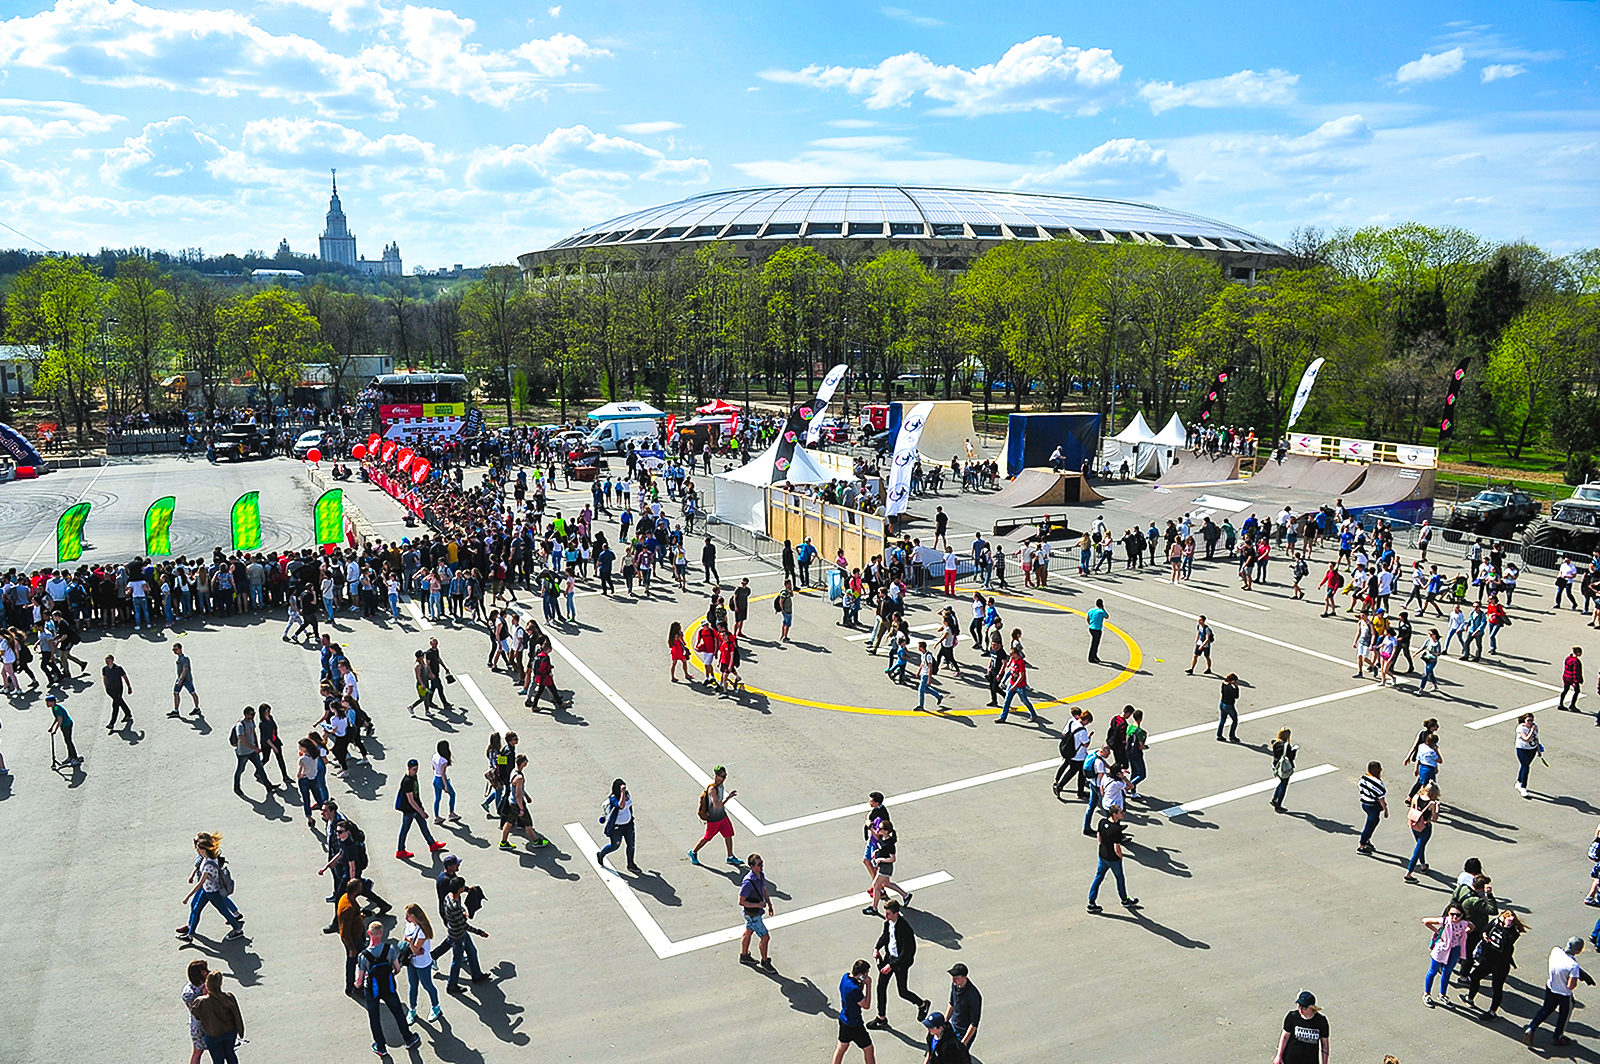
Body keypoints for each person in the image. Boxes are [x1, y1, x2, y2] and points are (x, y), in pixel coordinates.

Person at [357, 920, 421, 1056]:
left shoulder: (363, 956)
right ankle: (408, 1039)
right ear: (381, 933)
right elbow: (397, 969)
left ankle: (381, 1047)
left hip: (372, 991)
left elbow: (359, 980)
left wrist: (357, 985)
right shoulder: (390, 949)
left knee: (375, 1018)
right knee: (398, 1013)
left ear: (369, 933)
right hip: (388, 987)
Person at [868, 898, 930, 1029]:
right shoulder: (888, 923)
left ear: (896, 913)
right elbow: (885, 937)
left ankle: (922, 1004)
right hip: (889, 958)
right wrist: (876, 948)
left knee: (902, 991)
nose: (886, 916)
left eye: (889, 914)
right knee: (881, 987)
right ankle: (881, 1017)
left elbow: (906, 953)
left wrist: (891, 965)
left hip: (900, 963)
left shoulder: (905, 928)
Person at [178, 831, 244, 942]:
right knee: (196, 909)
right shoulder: (209, 858)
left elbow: (200, 883)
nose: (196, 850)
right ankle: (190, 935)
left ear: (204, 850)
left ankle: (238, 930)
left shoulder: (208, 864)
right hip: (206, 891)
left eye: (198, 848)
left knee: (223, 911)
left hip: (212, 893)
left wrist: (187, 897)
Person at [1525, 937, 1588, 1048]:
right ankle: (1557, 1037)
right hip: (1564, 994)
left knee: (1545, 1009)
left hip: (1551, 987)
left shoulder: (1555, 951)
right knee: (1564, 1015)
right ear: (1578, 951)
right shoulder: (1573, 966)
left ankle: (1531, 1027)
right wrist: (1577, 976)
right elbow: (1571, 985)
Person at [1463, 909, 1526, 1018]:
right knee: (1474, 977)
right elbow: (1485, 930)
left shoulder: (1513, 933)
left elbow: (1503, 945)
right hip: (1488, 960)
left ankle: (1492, 1012)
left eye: (1502, 920)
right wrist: (1484, 935)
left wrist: (1506, 928)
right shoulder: (1496, 922)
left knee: (1496, 987)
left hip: (1501, 964)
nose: (1498, 921)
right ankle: (1470, 998)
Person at [1086, 804, 1139, 913]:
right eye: (1120, 812)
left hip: (1102, 855)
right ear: (1115, 815)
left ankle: (1091, 902)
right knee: (1120, 878)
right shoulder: (1116, 829)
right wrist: (1120, 857)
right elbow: (1117, 848)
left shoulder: (1102, 822)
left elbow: (1099, 837)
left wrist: (1103, 847)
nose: (1122, 813)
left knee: (1098, 877)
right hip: (1113, 859)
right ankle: (1125, 900)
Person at [189, 970, 244, 1064]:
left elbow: (196, 1015)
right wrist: (240, 1030)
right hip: (229, 1032)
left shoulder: (201, 1002)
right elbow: (236, 1014)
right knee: (230, 1054)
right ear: (220, 983)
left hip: (212, 1035)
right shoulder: (228, 997)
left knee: (217, 1059)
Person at [688, 765, 740, 866]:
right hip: (714, 818)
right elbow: (716, 805)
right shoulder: (712, 789)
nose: (723, 778)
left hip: (722, 816)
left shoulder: (721, 786)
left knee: (728, 834)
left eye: (724, 776)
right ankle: (693, 852)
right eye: (721, 776)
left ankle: (730, 856)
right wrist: (728, 798)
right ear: (716, 776)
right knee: (707, 837)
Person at [395, 758, 447, 860]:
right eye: (414, 769)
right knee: (405, 829)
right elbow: (411, 800)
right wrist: (421, 812)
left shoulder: (414, 777)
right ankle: (400, 850)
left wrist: (421, 807)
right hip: (409, 810)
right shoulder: (407, 781)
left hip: (416, 808)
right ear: (409, 769)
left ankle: (432, 844)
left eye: (417, 769)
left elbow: (416, 794)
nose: (416, 771)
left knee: (423, 826)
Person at [498, 753, 549, 850]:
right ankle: (535, 841)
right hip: (517, 804)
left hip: (511, 802)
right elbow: (518, 795)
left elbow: (519, 789)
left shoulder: (514, 771)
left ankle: (503, 842)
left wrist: (526, 796)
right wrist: (521, 808)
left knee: (509, 822)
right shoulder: (519, 778)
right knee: (528, 823)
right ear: (523, 763)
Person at [401, 903, 442, 1023]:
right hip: (412, 961)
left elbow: (415, 948)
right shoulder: (410, 925)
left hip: (422, 963)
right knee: (413, 985)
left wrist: (411, 943)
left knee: (427, 985)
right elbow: (406, 939)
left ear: (414, 916)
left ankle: (436, 1006)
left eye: (408, 916)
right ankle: (412, 1009)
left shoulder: (422, 930)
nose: (406, 919)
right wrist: (412, 944)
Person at [1422, 905, 1470, 1006]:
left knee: (1447, 972)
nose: (1454, 917)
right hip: (1442, 949)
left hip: (1455, 950)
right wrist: (1436, 931)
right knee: (1433, 971)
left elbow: (1472, 926)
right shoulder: (1445, 920)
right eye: (1452, 914)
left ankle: (1442, 995)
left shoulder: (1463, 923)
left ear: (1462, 915)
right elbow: (1425, 921)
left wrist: (1468, 930)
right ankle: (1427, 994)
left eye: (1457, 915)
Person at [833, 959, 877, 1064]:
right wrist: (869, 985)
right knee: (868, 1049)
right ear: (862, 974)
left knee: (842, 1047)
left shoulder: (845, 978)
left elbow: (856, 997)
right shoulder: (854, 990)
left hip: (844, 1019)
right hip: (855, 1024)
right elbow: (866, 1005)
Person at [738, 853, 774, 970]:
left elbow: (764, 889)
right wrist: (758, 904)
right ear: (752, 866)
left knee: (748, 931)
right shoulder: (748, 882)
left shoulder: (760, 875)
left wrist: (769, 903)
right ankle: (765, 961)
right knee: (765, 937)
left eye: (762, 863)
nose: (761, 866)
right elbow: (741, 901)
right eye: (759, 864)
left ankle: (744, 956)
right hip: (752, 914)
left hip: (755, 913)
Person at [597, 777, 640, 874]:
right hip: (617, 828)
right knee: (615, 846)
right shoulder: (613, 798)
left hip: (628, 825)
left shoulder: (627, 794)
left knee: (631, 845)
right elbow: (621, 806)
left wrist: (631, 818)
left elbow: (629, 806)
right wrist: (622, 793)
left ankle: (631, 864)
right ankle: (601, 854)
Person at [1273, 991, 1329, 1064]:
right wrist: (1279, 1056)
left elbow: (1325, 1045)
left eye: (1304, 1007)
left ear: (1312, 1007)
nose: (1300, 1009)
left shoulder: (1321, 1021)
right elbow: (1285, 1037)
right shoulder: (1292, 1017)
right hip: (1290, 1059)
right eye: (1299, 1006)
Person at [229, 705, 273, 799]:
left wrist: (256, 746)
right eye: (251, 714)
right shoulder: (240, 725)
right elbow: (242, 740)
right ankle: (236, 787)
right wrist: (254, 747)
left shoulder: (251, 721)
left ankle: (268, 786)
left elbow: (253, 733)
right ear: (245, 714)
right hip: (243, 753)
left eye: (254, 714)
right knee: (240, 770)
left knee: (260, 768)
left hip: (252, 751)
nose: (253, 716)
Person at [1404, 782, 1441, 883]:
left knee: (1420, 846)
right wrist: (1437, 808)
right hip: (1424, 827)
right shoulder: (1432, 803)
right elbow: (1435, 818)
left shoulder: (1416, 797)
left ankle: (1423, 865)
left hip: (1414, 824)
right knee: (1418, 849)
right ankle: (1408, 873)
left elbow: (1413, 808)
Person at [942, 963, 981, 1050]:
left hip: (964, 1032)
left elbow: (974, 1024)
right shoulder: (955, 985)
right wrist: (945, 1021)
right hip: (954, 1026)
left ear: (964, 977)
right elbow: (952, 1003)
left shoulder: (973, 996)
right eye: (952, 977)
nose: (953, 980)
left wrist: (963, 1043)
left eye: (956, 978)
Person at [1356, 762, 1387, 854]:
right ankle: (1361, 845)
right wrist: (1385, 809)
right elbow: (1381, 799)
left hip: (1364, 803)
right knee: (1370, 825)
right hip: (1373, 806)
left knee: (1371, 822)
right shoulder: (1378, 783)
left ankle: (1367, 840)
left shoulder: (1363, 779)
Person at [46, 693, 80, 766]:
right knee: (67, 741)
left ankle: (75, 758)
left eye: (48, 702)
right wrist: (51, 727)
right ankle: (70, 756)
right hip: (64, 725)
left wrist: (55, 730)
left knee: (69, 741)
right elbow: (56, 718)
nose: (47, 704)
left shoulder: (57, 708)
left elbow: (60, 720)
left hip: (67, 725)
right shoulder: (54, 708)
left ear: (53, 702)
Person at [101, 653, 132, 732]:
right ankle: (128, 713)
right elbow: (104, 678)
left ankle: (112, 723)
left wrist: (129, 687)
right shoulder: (104, 669)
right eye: (106, 661)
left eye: (109, 660)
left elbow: (125, 677)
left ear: (113, 660)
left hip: (118, 688)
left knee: (115, 705)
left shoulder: (118, 668)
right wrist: (106, 687)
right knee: (119, 701)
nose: (107, 662)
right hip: (110, 689)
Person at [431, 740, 460, 823]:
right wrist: (446, 785)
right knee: (452, 794)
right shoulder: (444, 760)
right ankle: (451, 813)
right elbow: (443, 774)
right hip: (441, 780)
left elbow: (433, 767)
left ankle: (436, 816)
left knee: (437, 798)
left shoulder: (435, 756)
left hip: (435, 778)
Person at [170, 642, 200, 717]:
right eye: (173, 650)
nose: (174, 651)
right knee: (175, 693)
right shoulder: (179, 658)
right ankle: (176, 711)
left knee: (192, 693)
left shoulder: (185, 658)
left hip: (187, 680)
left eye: (176, 649)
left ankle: (197, 708)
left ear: (180, 649)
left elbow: (185, 670)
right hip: (180, 678)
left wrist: (180, 680)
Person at [1270, 728, 1296, 812]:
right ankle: (1278, 804)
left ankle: (1274, 799)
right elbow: (1291, 757)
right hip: (1284, 767)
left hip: (1276, 765)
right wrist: (1294, 750)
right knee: (1284, 785)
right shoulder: (1286, 745)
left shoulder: (1274, 742)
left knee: (1281, 782)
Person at [1515, 713, 1540, 798]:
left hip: (1532, 749)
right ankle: (1523, 787)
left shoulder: (1535, 726)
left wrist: (1538, 749)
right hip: (1522, 749)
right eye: (1528, 720)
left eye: (1531, 720)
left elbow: (1536, 738)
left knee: (1524, 766)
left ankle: (1519, 781)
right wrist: (1532, 730)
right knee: (1526, 767)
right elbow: (1526, 739)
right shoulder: (1521, 728)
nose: (1530, 722)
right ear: (1524, 721)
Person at [1217, 673, 1241, 742]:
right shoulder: (1230, 688)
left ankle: (1219, 735)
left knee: (1222, 720)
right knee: (1235, 720)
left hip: (1222, 703)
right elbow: (1236, 696)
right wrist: (1236, 688)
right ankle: (1232, 736)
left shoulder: (1223, 684)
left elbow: (1222, 692)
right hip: (1229, 705)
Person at [1560, 647, 1584, 712]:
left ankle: (1561, 703)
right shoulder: (1576, 661)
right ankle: (1572, 705)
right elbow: (1575, 672)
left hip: (1566, 677)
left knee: (1565, 690)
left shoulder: (1568, 658)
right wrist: (1577, 681)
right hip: (1572, 679)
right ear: (1578, 653)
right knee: (1577, 691)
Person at [1085, 599, 1107, 663]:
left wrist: (1090, 624)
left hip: (1091, 628)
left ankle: (1094, 656)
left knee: (1094, 643)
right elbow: (1107, 616)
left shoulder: (1091, 610)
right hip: (1097, 629)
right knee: (1095, 644)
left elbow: (1088, 618)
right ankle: (1092, 657)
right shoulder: (1101, 611)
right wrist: (1103, 608)